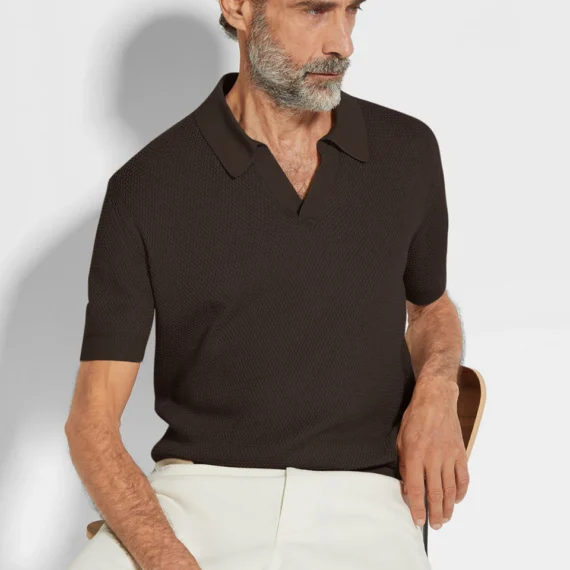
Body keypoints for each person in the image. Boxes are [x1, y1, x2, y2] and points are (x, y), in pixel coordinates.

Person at [65, 1, 468, 569]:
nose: (343, 43)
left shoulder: (407, 150)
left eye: (351, 11)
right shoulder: (146, 187)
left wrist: (438, 388)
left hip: (362, 496)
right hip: (196, 494)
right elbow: (91, 422)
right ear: (238, 7)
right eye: (314, 10)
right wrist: (164, 555)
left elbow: (430, 311)